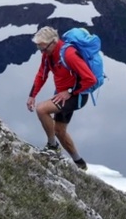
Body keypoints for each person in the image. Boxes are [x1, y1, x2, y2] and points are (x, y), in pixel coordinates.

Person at [26, 26, 95, 170]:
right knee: (59, 131)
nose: (42, 52)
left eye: (43, 48)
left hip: (77, 96)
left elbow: (90, 79)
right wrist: (32, 95)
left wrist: (69, 91)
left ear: (53, 42)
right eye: (40, 48)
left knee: (41, 109)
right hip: (62, 95)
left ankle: (52, 146)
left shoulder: (69, 54)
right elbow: (42, 75)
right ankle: (80, 163)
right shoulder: (48, 54)